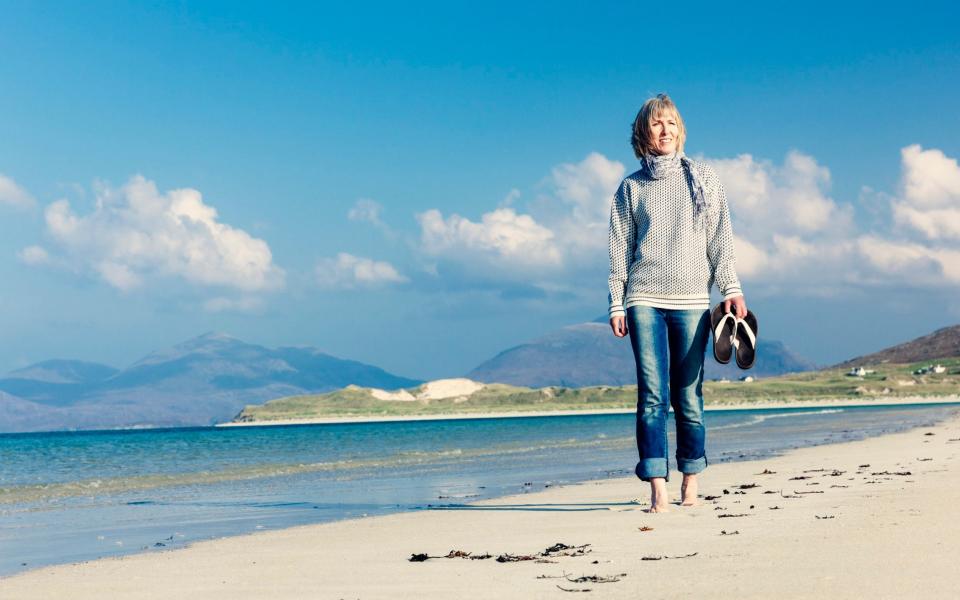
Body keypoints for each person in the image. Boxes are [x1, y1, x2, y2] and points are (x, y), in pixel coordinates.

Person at [607, 93, 747, 513]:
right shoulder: (630, 187)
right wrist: (617, 303)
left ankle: (691, 480)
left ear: (680, 130)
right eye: (656, 124)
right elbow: (619, 249)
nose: (664, 130)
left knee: (687, 395)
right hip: (643, 298)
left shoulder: (705, 178)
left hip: (692, 301)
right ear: (643, 134)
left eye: (671, 122)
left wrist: (731, 289)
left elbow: (720, 240)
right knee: (652, 395)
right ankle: (657, 491)